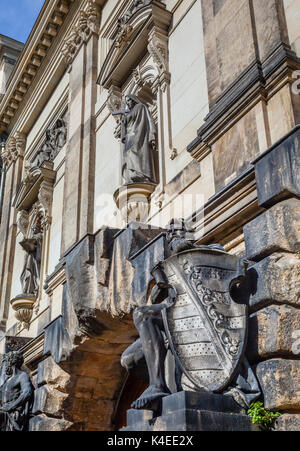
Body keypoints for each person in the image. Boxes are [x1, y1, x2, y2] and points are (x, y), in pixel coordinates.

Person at [120, 94, 157, 185]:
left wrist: (152, 135)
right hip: (130, 136)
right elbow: (126, 123)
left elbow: (149, 120)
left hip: (139, 134)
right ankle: (132, 174)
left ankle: (141, 174)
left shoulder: (140, 107)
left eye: (129, 100)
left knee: (135, 152)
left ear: (133, 100)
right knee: (127, 155)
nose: (128, 103)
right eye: (126, 101)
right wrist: (123, 120)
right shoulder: (129, 112)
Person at [0, 351, 33, 431]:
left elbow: (27, 392)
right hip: (3, 410)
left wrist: (10, 407)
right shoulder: (7, 380)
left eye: (5, 363)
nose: (3, 367)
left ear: (12, 361)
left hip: (14, 412)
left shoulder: (22, 376)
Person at [20, 224, 43, 296]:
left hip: (35, 258)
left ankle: (33, 288)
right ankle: (27, 288)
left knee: (33, 272)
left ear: (38, 229)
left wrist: (28, 241)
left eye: (35, 228)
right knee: (25, 274)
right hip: (30, 257)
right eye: (32, 229)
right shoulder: (34, 237)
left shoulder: (39, 235)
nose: (34, 230)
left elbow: (36, 241)